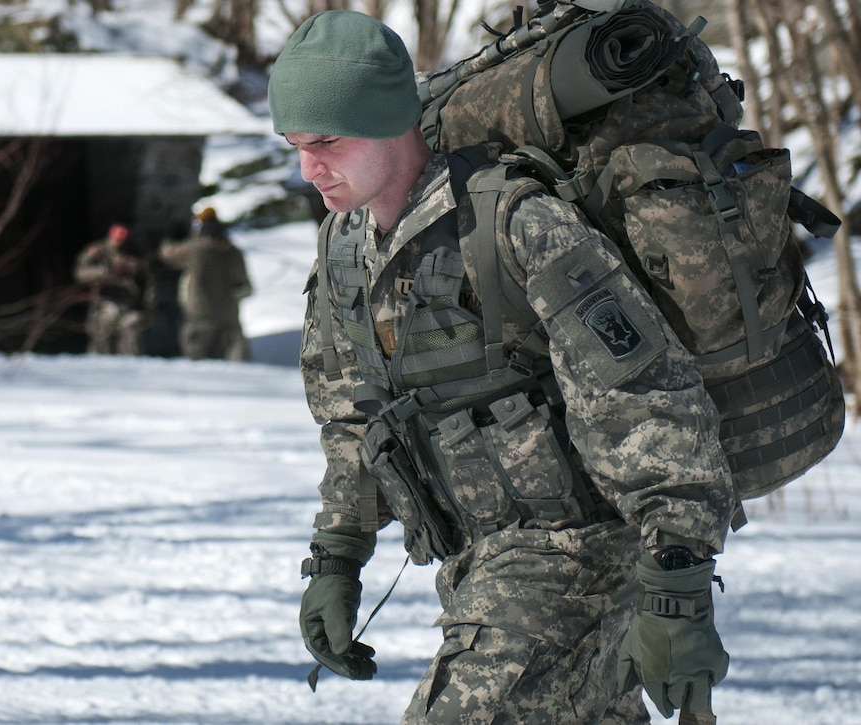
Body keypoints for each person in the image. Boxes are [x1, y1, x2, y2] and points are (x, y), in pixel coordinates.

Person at [268, 11, 738, 724]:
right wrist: (337, 555)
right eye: (296, 146)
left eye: (327, 141)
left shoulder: (515, 222)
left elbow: (645, 396)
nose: (309, 169)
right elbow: (352, 418)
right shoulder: (343, 247)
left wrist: (676, 582)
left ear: (390, 121)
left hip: (581, 554)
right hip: (476, 565)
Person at [159, 207, 253, 362]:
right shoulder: (233, 251)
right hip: (228, 317)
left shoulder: (194, 249)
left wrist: (170, 236)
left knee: (199, 369)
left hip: (199, 315)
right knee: (233, 370)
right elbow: (245, 287)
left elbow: (167, 255)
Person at [73, 223, 154, 356]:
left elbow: (148, 280)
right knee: (102, 340)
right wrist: (102, 272)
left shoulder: (135, 253)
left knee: (131, 338)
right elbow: (80, 273)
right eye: (116, 239)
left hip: (129, 305)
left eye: (122, 240)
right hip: (103, 303)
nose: (119, 243)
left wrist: (147, 307)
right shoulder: (98, 251)